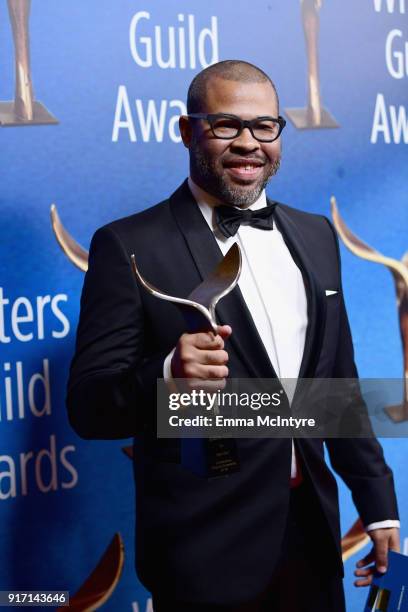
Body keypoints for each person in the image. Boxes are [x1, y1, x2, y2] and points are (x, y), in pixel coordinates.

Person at [66, 60, 400, 611]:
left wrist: (379, 506)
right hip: (203, 553)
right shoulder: (128, 245)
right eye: (226, 125)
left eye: (264, 127)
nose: (249, 143)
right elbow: (89, 408)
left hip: (314, 539)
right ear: (186, 131)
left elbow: (336, 388)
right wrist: (170, 375)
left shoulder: (316, 236)